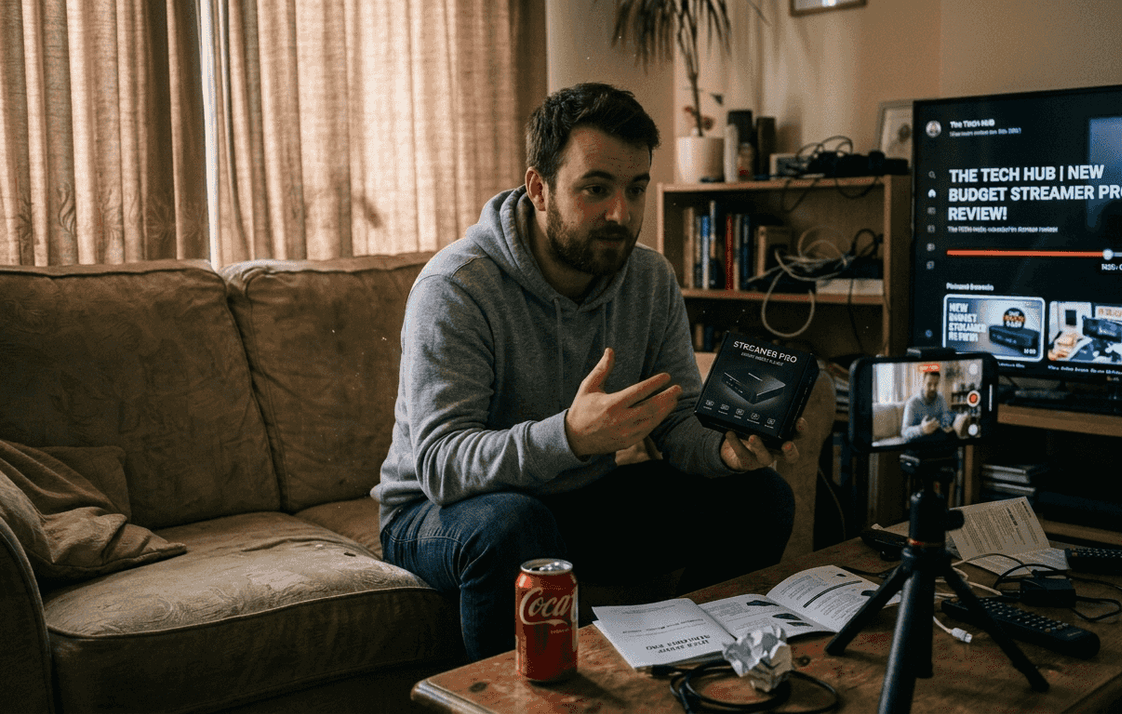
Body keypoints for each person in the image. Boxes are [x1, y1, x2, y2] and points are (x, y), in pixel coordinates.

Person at [372, 83, 800, 661]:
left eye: (635, 189)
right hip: (438, 515)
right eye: (596, 189)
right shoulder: (457, 288)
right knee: (514, 529)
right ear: (539, 188)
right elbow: (443, 465)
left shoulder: (649, 280)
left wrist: (727, 451)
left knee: (760, 495)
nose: (621, 213)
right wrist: (570, 437)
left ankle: (698, 666)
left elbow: (677, 422)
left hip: (575, 502)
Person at [900, 371, 959, 442]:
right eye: (929, 384)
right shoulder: (912, 403)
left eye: (936, 384)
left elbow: (946, 415)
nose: (933, 388)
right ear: (923, 383)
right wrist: (922, 429)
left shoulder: (940, 398)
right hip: (920, 439)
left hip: (936, 436)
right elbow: (904, 432)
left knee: (953, 435)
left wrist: (945, 422)